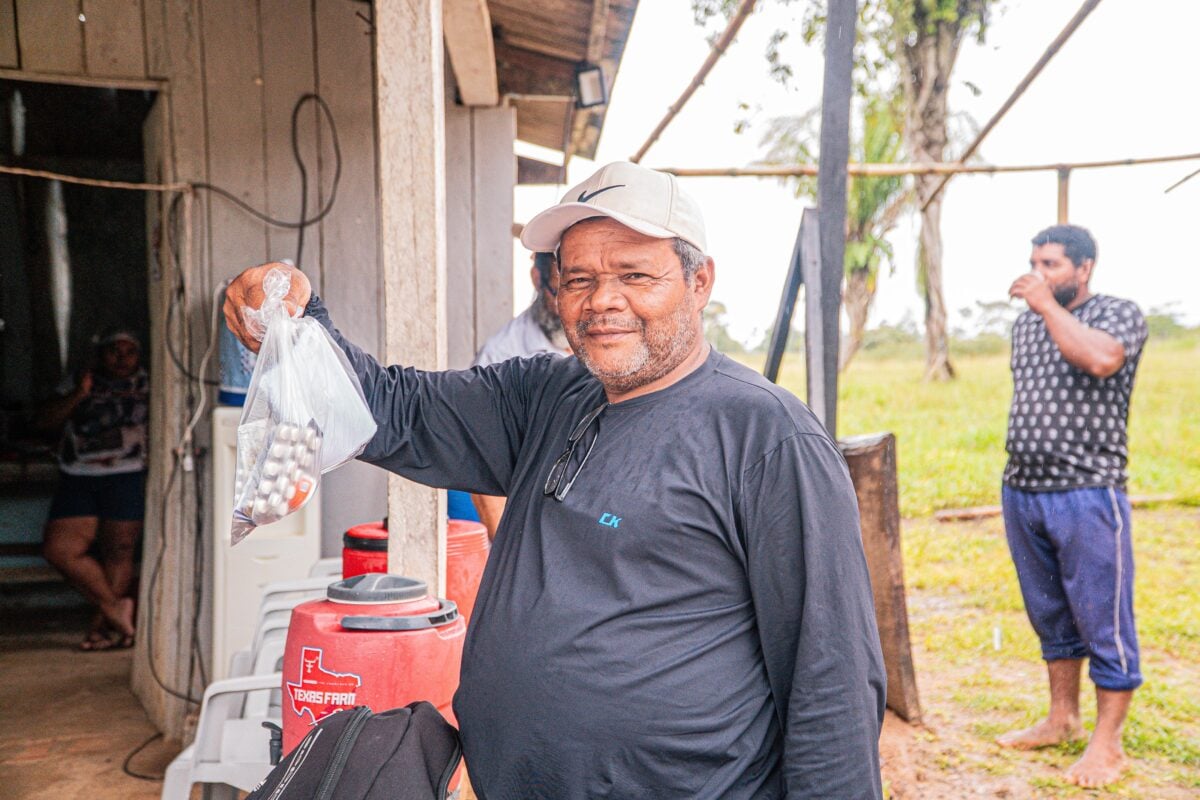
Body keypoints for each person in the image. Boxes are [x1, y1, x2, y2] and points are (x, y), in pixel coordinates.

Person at [226, 161, 885, 798]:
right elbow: (394, 410)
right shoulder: (545, 395)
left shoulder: (768, 439)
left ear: (699, 281)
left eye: (635, 274)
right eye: (579, 280)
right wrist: (300, 326)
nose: (603, 301)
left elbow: (831, 675)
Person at [997, 225, 1147, 789]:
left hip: (1087, 491)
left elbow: (1102, 360)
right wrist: (1040, 310)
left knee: (1102, 616)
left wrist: (1045, 305)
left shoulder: (1117, 314)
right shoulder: (1025, 326)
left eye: (1052, 265)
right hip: (1023, 488)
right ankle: (1062, 719)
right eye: (1035, 263)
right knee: (1050, 613)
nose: (1038, 273)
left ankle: (1108, 745)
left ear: (1084, 269)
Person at [38, 329, 149, 650]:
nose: (122, 359)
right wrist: (79, 395)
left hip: (128, 473)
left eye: (129, 352)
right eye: (115, 351)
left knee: (120, 551)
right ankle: (115, 607)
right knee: (60, 549)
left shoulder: (149, 383)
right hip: (79, 474)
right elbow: (44, 421)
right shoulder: (78, 380)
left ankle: (101, 629)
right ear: (101, 354)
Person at [469, 250, 571, 536]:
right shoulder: (501, 355)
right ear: (537, 279)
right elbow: (484, 462)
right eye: (559, 291)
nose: (570, 307)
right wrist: (508, 545)